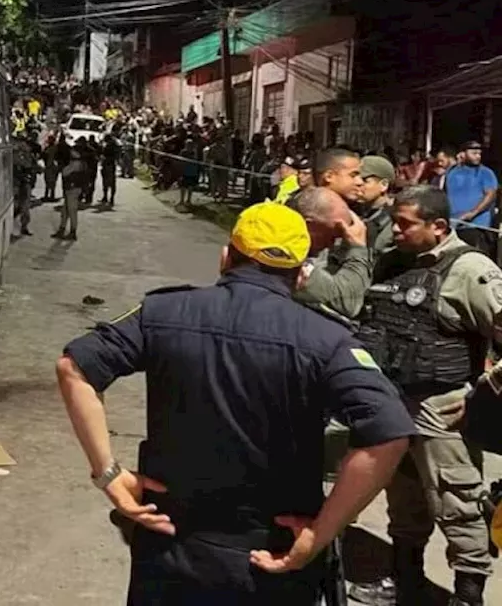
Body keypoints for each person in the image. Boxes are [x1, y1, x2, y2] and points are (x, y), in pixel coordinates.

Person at [56, 202, 414, 603]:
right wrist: (321, 532)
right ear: (300, 276)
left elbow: (75, 367)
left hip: (170, 544)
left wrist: (108, 474)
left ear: (226, 257)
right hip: (270, 556)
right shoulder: (327, 341)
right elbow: (389, 432)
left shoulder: (163, 311)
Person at [349, 185, 502, 606]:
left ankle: (468, 595)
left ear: (438, 227)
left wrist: (485, 392)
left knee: (458, 502)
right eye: (394, 222)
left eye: (405, 224)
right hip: (394, 403)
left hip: (442, 409)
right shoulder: (395, 262)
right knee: (403, 500)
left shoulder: (471, 270)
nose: (395, 230)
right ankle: (404, 581)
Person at [291, 187, 373, 322]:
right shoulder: (286, 258)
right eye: (332, 235)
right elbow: (348, 302)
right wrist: (358, 248)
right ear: (309, 225)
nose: (331, 244)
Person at [443, 140, 497, 257]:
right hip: (453, 224)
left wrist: (472, 213)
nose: (478, 156)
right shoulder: (452, 172)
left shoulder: (485, 172)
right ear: (462, 154)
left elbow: (490, 195)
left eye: (479, 154)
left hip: (475, 226)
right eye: (474, 153)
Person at [356, 154, 396, 257]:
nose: (358, 184)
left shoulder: (393, 219)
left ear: (384, 185)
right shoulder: (356, 212)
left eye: (365, 181)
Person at [54, 139, 89, 241]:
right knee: (65, 211)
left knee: (72, 211)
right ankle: (62, 229)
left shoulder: (76, 163)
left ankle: (72, 232)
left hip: (73, 189)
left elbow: (65, 172)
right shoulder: (80, 163)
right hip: (72, 188)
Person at [100, 131, 120, 207]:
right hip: (111, 164)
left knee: (106, 181)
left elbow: (104, 153)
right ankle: (110, 198)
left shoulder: (109, 145)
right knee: (111, 182)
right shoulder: (115, 144)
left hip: (108, 164)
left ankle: (107, 197)